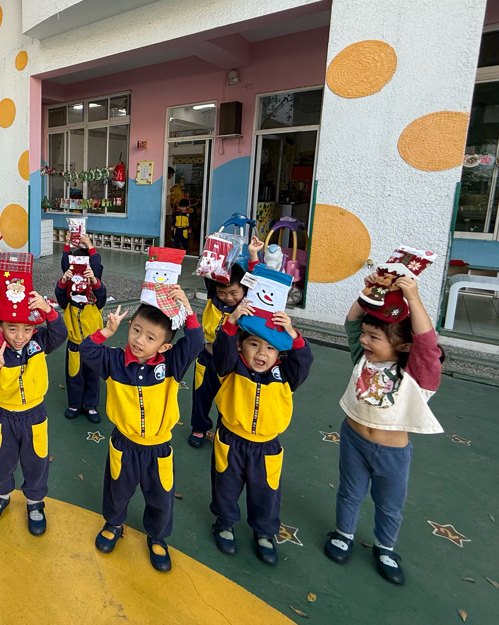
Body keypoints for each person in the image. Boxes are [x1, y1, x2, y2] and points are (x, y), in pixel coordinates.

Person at [324, 274, 443, 586]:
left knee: (389, 505)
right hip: (352, 439)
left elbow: (427, 345)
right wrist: (371, 293)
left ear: (403, 345)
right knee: (349, 492)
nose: (364, 340)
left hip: (392, 452)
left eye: (374, 337)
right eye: (365, 334)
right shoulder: (361, 358)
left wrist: (412, 296)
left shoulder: (416, 376)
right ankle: (344, 534)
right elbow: (352, 322)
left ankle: (385, 548)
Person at [79, 296, 203, 572]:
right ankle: (114, 523)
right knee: (117, 490)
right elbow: (86, 350)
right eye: (136, 330)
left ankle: (157, 536)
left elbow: (195, 342)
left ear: (165, 346)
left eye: (150, 337)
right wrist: (106, 331)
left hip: (158, 448)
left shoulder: (171, 363)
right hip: (125, 443)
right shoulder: (114, 360)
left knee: (161, 496)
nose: (138, 340)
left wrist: (187, 309)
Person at [209, 300, 313, 565]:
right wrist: (232, 322)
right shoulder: (231, 366)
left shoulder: (285, 375)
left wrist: (293, 334)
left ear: (279, 354)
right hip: (231, 440)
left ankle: (264, 532)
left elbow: (303, 360)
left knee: (266, 492)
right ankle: (224, 522)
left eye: (270, 348)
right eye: (254, 344)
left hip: (266, 447)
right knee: (225, 485)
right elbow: (221, 351)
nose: (261, 353)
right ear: (240, 345)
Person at [0, 292, 67, 535]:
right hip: (5, 416)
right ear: (0, 324)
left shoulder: (39, 342)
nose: (20, 336)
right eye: (12, 328)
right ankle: (1, 495)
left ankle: (35, 502)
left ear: (34, 328)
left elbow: (60, 333)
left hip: (35, 415)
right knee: (3, 461)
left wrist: (48, 310)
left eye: (27, 329)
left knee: (37, 461)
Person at [188, 236, 262, 449]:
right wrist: (212, 249)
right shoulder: (214, 297)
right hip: (207, 357)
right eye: (223, 293)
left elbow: (256, 281)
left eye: (233, 293)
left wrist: (253, 255)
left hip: (231, 363)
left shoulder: (246, 304)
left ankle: (224, 430)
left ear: (243, 290)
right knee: (201, 394)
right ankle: (199, 428)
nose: (228, 297)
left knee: (228, 398)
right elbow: (210, 271)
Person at [55, 232, 107, 423]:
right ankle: (75, 404)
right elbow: (60, 291)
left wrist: (90, 246)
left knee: (92, 376)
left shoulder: (96, 299)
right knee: (74, 376)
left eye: (88, 271)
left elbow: (99, 282)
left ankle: (90, 405)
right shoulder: (68, 301)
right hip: (75, 344)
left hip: (93, 345)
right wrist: (67, 246)